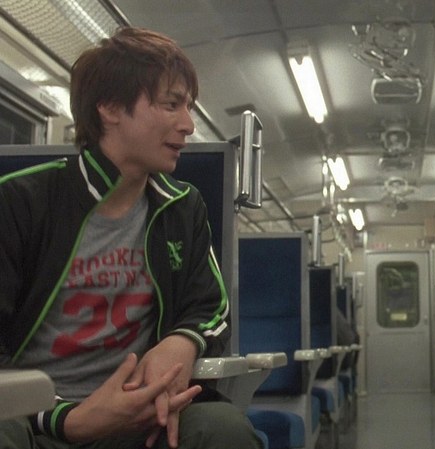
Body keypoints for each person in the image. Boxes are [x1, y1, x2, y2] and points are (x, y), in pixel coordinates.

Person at [0, 27, 262, 449]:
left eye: (188, 107)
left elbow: (210, 306)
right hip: (37, 422)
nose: (188, 124)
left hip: (143, 419)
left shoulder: (182, 206)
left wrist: (183, 340)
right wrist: (65, 419)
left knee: (222, 429)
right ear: (109, 107)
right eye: (171, 104)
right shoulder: (20, 202)